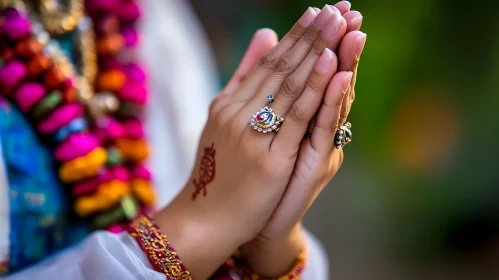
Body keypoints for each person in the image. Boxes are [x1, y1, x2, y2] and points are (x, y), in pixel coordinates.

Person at [0, 0, 366, 278]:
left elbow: (220, 191)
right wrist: (200, 227)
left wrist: (267, 244)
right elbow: (211, 208)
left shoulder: (154, 16)